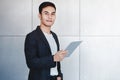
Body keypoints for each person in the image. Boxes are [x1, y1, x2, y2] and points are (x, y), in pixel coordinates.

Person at [24, 1, 67, 80]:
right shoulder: (32, 36)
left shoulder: (54, 36)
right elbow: (31, 63)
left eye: (53, 14)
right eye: (46, 13)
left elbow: (57, 62)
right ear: (40, 16)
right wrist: (53, 58)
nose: (50, 17)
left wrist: (59, 75)